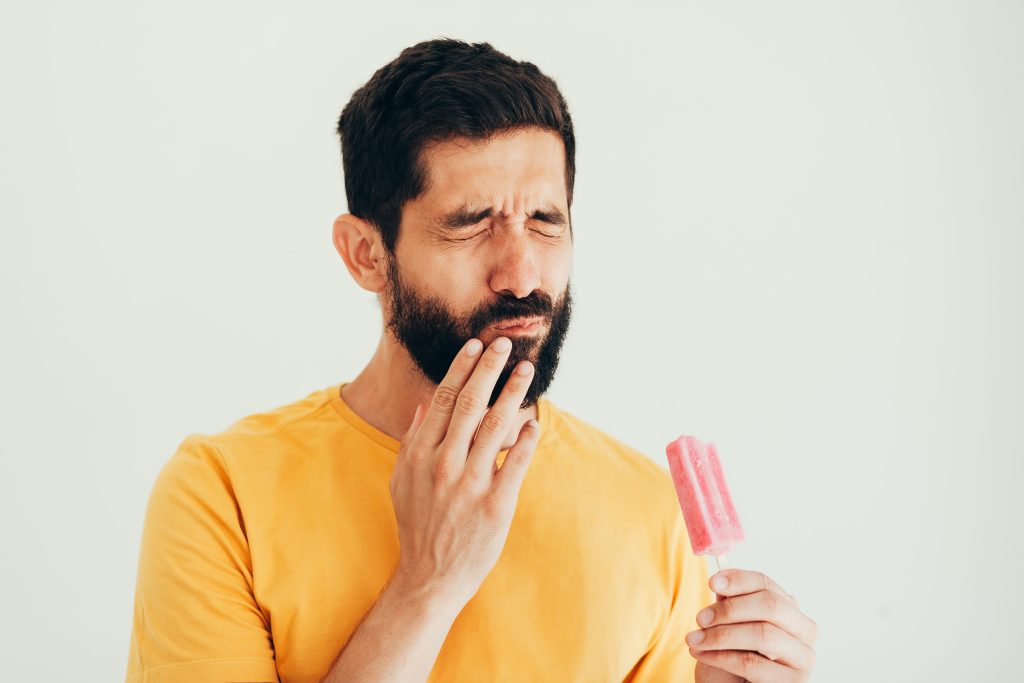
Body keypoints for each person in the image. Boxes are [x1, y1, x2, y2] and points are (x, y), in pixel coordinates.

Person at [124, 38, 818, 683]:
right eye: (470, 224)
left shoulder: (650, 512)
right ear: (367, 254)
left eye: (545, 221)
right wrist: (427, 585)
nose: (521, 274)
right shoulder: (221, 494)